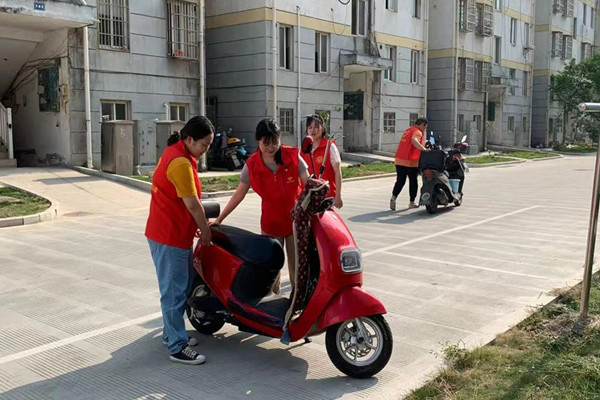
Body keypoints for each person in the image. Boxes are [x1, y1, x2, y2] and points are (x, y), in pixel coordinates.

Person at [145, 116, 214, 365]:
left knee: (181, 288)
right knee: (174, 294)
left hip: (175, 234)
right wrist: (205, 231)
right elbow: (193, 205)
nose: (206, 150)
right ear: (190, 139)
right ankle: (177, 347)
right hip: (168, 236)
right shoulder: (179, 162)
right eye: (204, 144)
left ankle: (171, 334)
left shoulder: (179, 153)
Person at [211, 119, 309, 294]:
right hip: (271, 225)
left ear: (280, 139)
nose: (271, 148)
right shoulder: (252, 165)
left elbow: (308, 184)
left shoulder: (293, 156)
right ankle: (273, 301)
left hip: (295, 223)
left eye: (274, 142)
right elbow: (239, 194)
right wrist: (219, 219)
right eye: (266, 143)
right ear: (258, 141)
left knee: (298, 268)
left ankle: (298, 302)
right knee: (270, 270)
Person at [301, 114, 343, 209]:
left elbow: (337, 172)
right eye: (310, 127)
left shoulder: (329, 146)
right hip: (307, 198)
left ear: (323, 129)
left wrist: (338, 196)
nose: (313, 130)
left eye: (316, 127)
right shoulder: (304, 149)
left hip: (326, 197)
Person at [390, 117, 430, 211]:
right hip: (410, 161)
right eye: (425, 127)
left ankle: (393, 197)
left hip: (399, 159)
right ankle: (412, 202)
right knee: (413, 181)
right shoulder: (417, 131)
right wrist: (423, 149)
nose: (425, 129)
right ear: (422, 124)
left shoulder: (408, 130)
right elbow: (414, 140)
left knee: (400, 181)